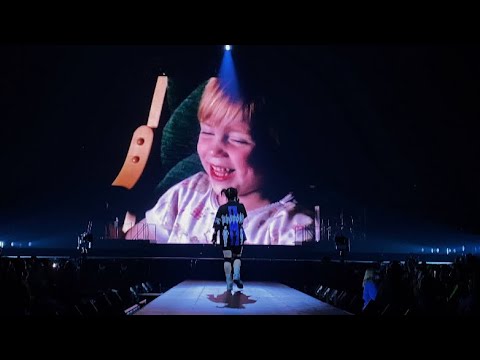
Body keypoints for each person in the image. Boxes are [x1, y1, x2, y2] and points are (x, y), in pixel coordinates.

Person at [125, 76, 313, 244]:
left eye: (238, 139)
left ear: (275, 148)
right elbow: (135, 244)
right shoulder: (185, 195)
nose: (215, 149)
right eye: (206, 132)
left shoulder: (291, 228)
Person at [212, 187, 247, 291]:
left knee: (227, 259)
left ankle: (229, 282)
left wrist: (214, 236)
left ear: (226, 196)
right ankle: (236, 275)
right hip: (238, 236)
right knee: (237, 257)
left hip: (225, 236)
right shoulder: (241, 207)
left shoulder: (222, 208)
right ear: (236, 196)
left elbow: (217, 224)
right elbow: (243, 218)